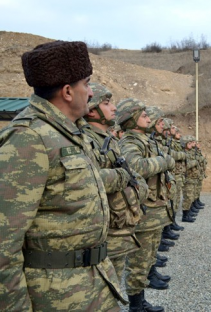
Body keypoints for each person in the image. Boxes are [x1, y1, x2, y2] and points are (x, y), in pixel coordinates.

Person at [0, 40, 124, 311]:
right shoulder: (28, 138)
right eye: (87, 84)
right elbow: (2, 247)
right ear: (68, 91)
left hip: (93, 286)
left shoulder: (67, 133)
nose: (90, 93)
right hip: (56, 298)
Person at [82, 83, 156, 311]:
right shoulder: (85, 139)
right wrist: (125, 177)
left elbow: (135, 176)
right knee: (102, 290)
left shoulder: (109, 140)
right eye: (107, 103)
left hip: (121, 223)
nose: (113, 108)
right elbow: (87, 179)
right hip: (105, 229)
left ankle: (136, 302)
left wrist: (137, 187)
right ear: (92, 110)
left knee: (115, 283)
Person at [116, 98, 174, 311]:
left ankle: (141, 301)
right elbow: (137, 167)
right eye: (144, 116)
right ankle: (136, 306)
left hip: (154, 209)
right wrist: (164, 161)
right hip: (144, 210)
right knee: (138, 262)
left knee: (149, 255)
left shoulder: (144, 140)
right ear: (131, 120)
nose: (148, 119)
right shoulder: (130, 142)